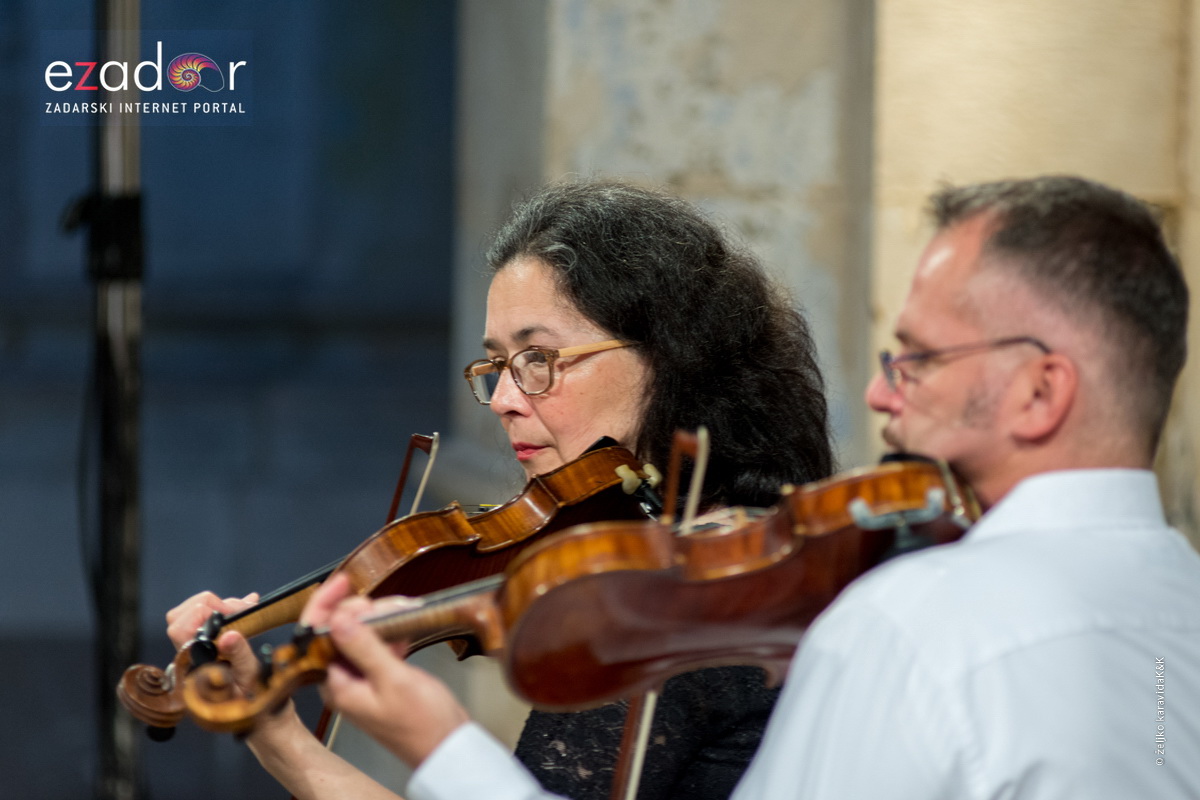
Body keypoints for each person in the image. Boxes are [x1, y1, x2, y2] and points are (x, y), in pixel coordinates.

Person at [306, 174, 1200, 800]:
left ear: (1044, 391)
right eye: (498, 366)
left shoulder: (908, 624)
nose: (883, 395)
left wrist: (438, 745)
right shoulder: (1181, 600)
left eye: (920, 360)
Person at [165, 179, 834, 800]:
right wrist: (276, 735)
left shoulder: (664, 607)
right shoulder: (769, 550)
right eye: (496, 364)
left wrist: (432, 739)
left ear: (671, 355)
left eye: (539, 359)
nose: (504, 399)